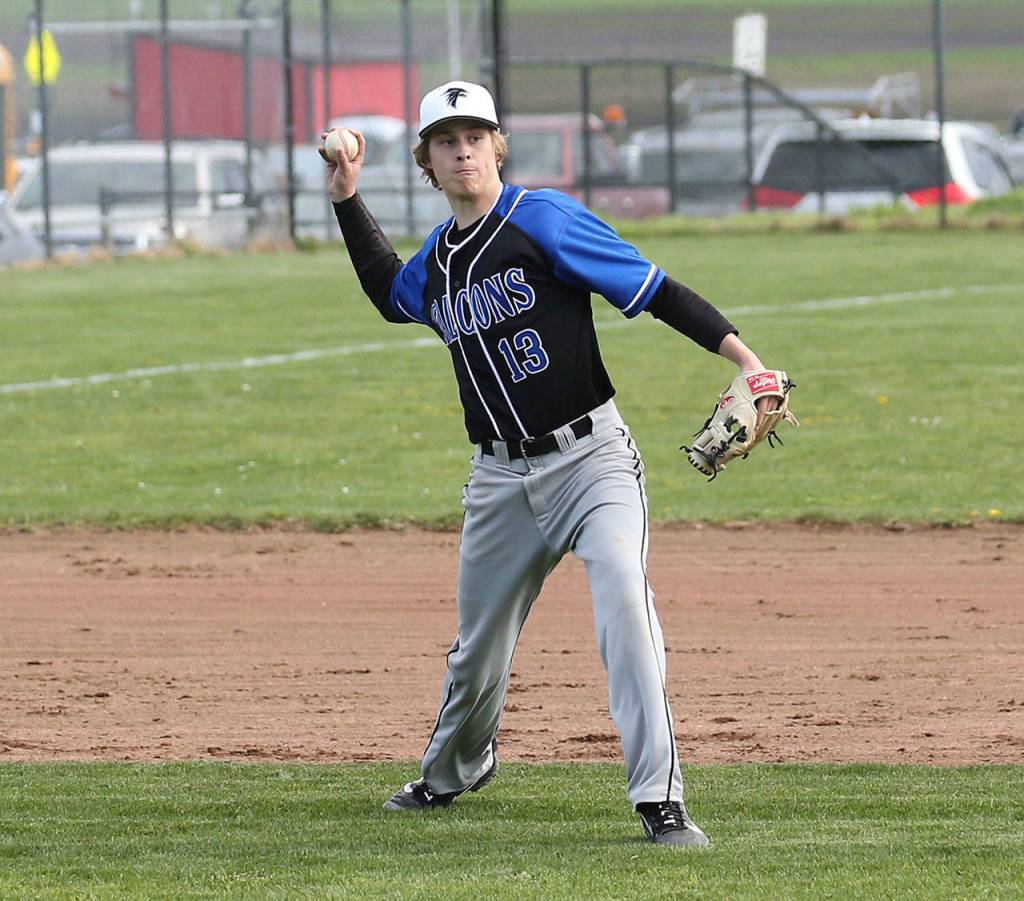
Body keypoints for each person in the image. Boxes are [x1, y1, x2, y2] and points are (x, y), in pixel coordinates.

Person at [323, 80, 780, 848]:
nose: (463, 149)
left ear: (498, 145)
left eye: (475, 135)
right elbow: (386, 291)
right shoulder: (437, 261)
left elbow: (655, 288)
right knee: (477, 652)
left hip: (593, 461)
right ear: (428, 163)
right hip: (500, 479)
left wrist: (747, 358)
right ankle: (455, 770)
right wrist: (346, 198)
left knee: (626, 606)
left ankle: (660, 799)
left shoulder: (542, 218)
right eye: (446, 140)